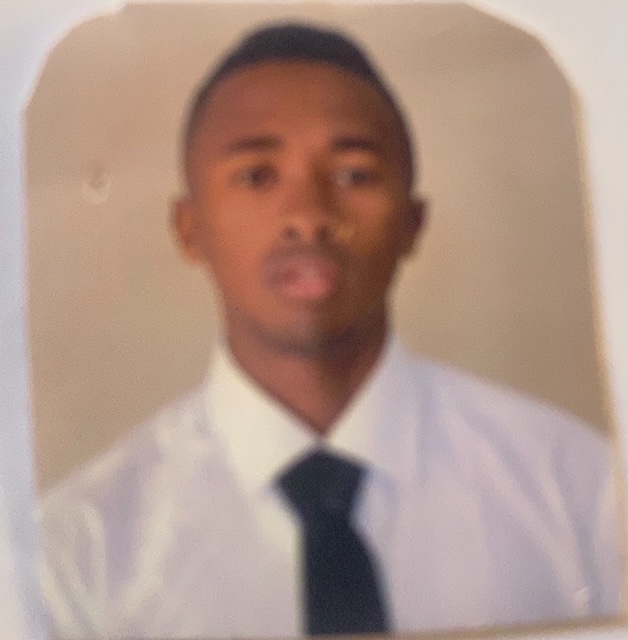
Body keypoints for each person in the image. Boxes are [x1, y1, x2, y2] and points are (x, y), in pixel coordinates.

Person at [38, 22, 622, 639]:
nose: (308, 216)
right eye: (257, 176)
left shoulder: (580, 493)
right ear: (189, 229)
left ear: (413, 223)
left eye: (353, 175)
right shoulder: (76, 554)